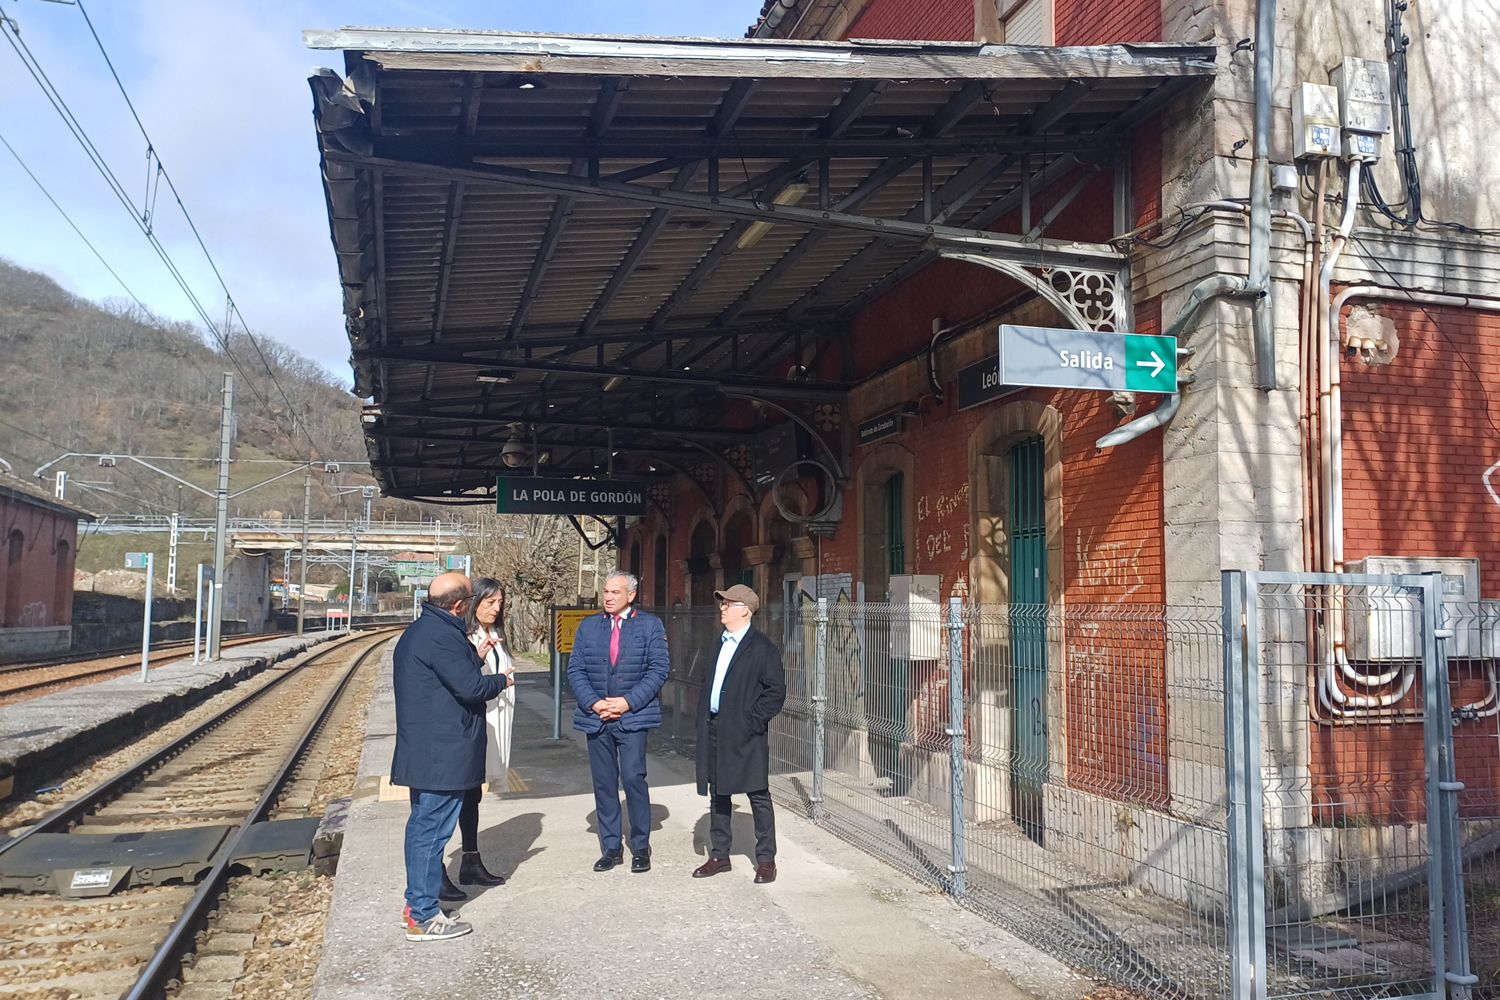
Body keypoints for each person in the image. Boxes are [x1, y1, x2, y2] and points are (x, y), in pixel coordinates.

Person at [391, 572, 511, 942]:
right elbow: (472, 688)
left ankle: (416, 905)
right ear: (460, 605)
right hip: (443, 754)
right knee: (431, 833)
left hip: (427, 750)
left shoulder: (421, 630)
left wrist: (472, 658)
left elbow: (448, 677)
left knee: (422, 830)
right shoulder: (443, 636)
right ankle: (424, 916)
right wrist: (502, 679)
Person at [567, 570, 669, 874]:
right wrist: (595, 703)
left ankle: (640, 846)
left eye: (615, 592)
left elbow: (658, 670)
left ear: (631, 595)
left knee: (634, 777)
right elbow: (576, 670)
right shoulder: (589, 627)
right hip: (596, 717)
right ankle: (611, 846)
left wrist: (627, 703)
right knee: (604, 782)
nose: (608, 597)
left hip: (632, 718)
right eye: (606, 592)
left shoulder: (650, 626)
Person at [691, 584, 787, 885]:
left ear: (744, 609)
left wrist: (752, 721)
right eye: (722, 604)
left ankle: (766, 859)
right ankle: (720, 854)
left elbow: (775, 692)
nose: (722, 608)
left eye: (728, 604)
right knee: (718, 790)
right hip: (716, 727)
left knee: (757, 793)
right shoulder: (719, 643)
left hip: (745, 732)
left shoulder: (762, 649)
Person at [439, 576, 514, 897]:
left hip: (495, 721)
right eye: (489, 602)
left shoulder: (494, 634)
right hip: (473, 723)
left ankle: (470, 859)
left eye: (499, 602)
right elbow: (467, 682)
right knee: (454, 795)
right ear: (473, 603)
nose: (495, 608)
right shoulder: (463, 636)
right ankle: (436, 867)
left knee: (473, 794)